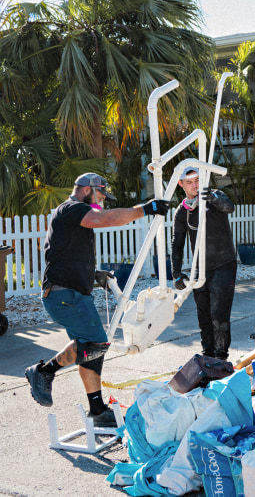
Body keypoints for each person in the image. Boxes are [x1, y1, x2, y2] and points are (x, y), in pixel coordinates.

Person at [25, 173, 170, 427]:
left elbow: (66, 255)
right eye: (101, 193)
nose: (102, 199)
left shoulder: (75, 218)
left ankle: (97, 409)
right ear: (86, 189)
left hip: (72, 294)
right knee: (95, 343)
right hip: (63, 295)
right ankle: (43, 372)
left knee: (91, 350)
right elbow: (107, 219)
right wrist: (145, 209)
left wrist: (93, 275)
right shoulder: (72, 209)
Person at [171, 167, 237, 361]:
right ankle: (207, 356)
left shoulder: (214, 197)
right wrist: (176, 273)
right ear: (181, 184)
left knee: (219, 317)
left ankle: (221, 358)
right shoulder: (182, 211)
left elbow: (229, 207)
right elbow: (177, 243)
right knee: (204, 317)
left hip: (224, 264)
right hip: (200, 269)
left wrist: (213, 198)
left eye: (198, 180)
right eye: (189, 182)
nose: (195, 185)